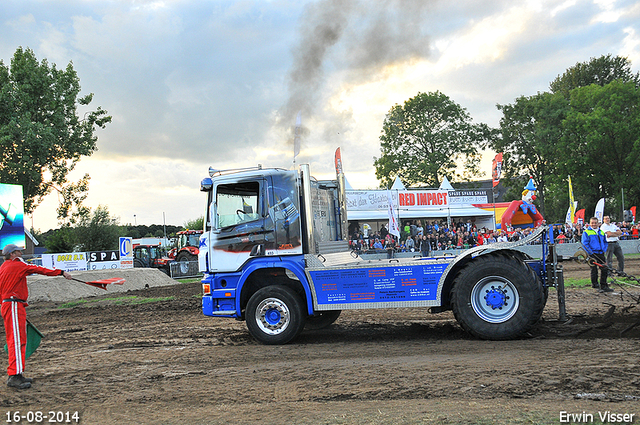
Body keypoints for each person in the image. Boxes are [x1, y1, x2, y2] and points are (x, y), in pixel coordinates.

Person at [0, 244, 72, 389]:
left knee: (18, 339)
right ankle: (14, 376)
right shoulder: (17, 264)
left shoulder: (3, 267)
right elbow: (39, 269)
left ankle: (17, 374)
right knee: (17, 340)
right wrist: (61, 272)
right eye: (19, 251)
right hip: (14, 304)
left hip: (11, 305)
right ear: (13, 254)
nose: (21, 253)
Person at [581, 217, 611, 293]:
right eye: (592, 223)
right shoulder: (586, 232)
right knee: (594, 270)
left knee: (604, 269)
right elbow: (585, 244)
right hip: (592, 254)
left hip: (601, 253)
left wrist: (604, 249)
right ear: (590, 223)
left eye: (595, 223)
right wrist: (591, 253)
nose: (594, 224)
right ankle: (595, 285)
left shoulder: (601, 232)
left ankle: (604, 285)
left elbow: (605, 242)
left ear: (598, 223)